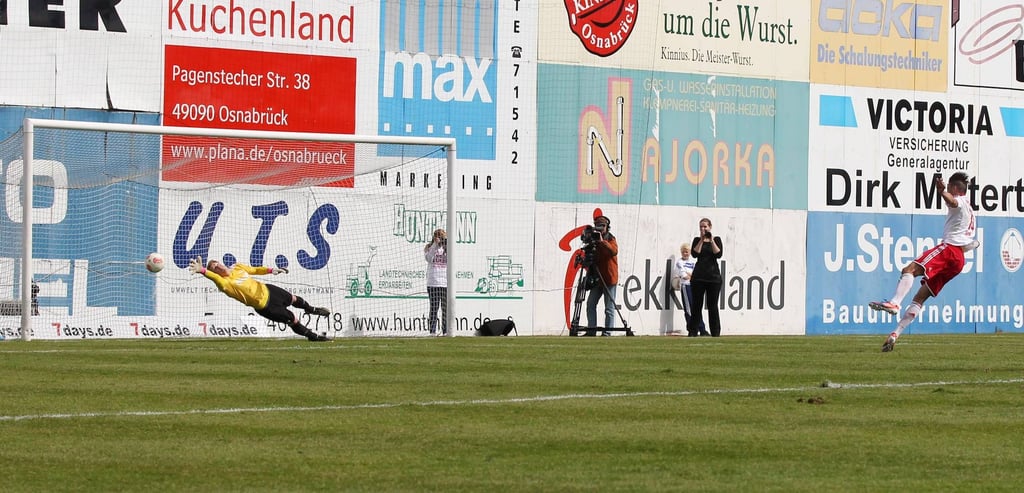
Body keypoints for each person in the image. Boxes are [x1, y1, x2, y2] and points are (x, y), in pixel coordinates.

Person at [869, 172, 978, 352]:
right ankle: (895, 334)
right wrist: (944, 192)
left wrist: (942, 192)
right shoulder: (970, 208)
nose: (948, 189)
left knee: (909, 269)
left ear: (956, 189)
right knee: (920, 298)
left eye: (950, 187)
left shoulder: (959, 202)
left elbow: (952, 201)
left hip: (949, 250)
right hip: (959, 261)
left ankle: (895, 303)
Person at [188, 256, 331, 341]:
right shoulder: (226, 284)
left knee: (293, 298)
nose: (218, 266)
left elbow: (254, 270)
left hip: (268, 289)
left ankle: (312, 309)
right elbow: (215, 279)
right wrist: (203, 271)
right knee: (292, 318)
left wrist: (271, 270)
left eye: (217, 263)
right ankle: (313, 336)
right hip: (265, 306)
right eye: (215, 268)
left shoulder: (237, 267)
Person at [585, 208, 619, 336]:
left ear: (607, 227)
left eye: (603, 226)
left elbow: (613, 251)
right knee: (590, 304)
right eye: (598, 226)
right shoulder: (594, 239)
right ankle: (591, 330)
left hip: (609, 279)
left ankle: (608, 332)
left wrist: (602, 241)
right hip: (597, 278)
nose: (600, 228)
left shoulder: (610, 239)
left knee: (609, 308)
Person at [689, 218, 723, 337]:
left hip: (713, 278)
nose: (703, 229)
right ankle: (693, 331)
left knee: (712, 306)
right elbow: (694, 254)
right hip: (699, 277)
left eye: (705, 227)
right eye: (701, 227)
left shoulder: (717, 240)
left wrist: (711, 240)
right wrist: (702, 240)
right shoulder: (697, 240)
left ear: (710, 227)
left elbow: (718, 254)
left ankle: (715, 332)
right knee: (697, 305)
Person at [673, 244, 708, 336]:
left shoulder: (693, 262)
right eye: (684, 251)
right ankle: (692, 329)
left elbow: (696, 274)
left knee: (697, 308)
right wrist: (691, 276)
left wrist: (691, 276)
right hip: (686, 286)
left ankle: (702, 329)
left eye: (687, 251)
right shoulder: (679, 262)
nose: (685, 253)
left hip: (694, 286)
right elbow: (684, 276)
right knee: (689, 309)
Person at [424, 228, 448, 336]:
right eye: (439, 236)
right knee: (434, 307)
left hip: (445, 282)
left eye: (442, 237)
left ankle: (445, 330)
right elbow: (429, 258)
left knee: (445, 308)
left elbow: (450, 261)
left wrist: (446, 246)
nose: (441, 239)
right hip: (433, 282)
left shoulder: (447, 248)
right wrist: (435, 245)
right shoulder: (429, 247)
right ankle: (432, 331)